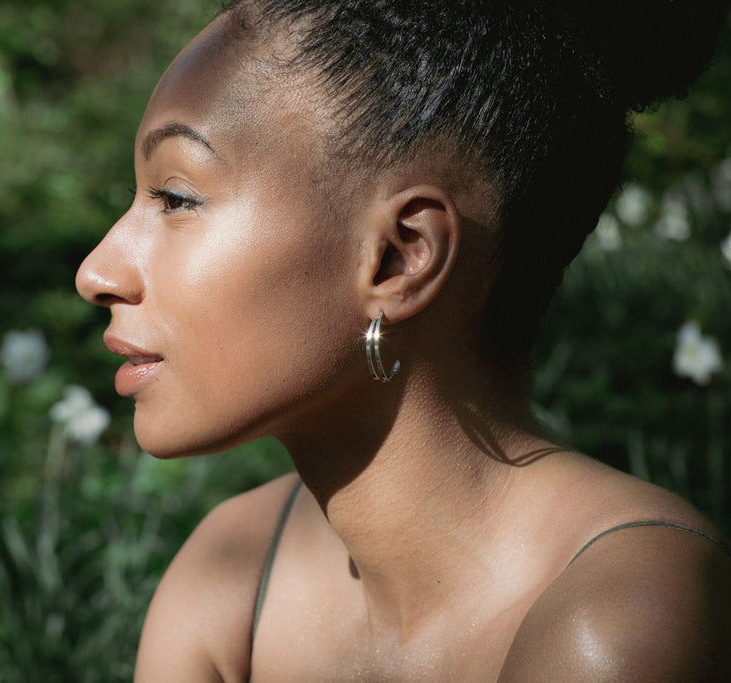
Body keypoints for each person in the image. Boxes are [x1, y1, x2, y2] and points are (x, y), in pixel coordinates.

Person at [76, 0, 731, 679]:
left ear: (399, 256)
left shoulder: (620, 614)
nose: (96, 270)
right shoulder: (231, 580)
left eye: (177, 197)